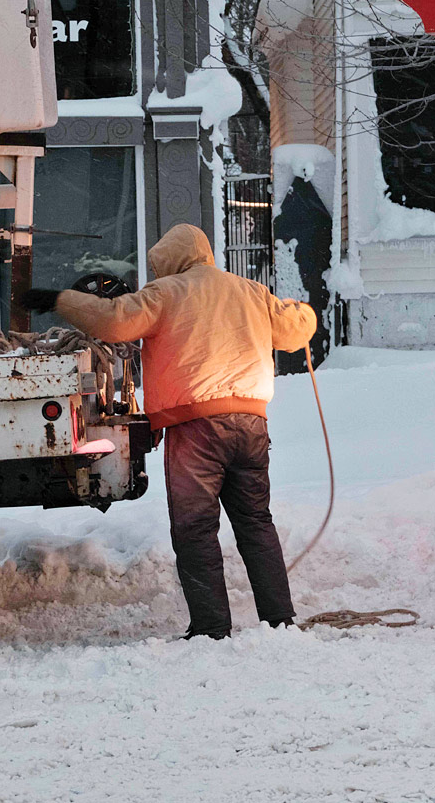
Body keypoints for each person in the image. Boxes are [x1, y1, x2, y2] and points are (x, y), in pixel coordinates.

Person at [21, 223, 316, 640]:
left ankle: (212, 629)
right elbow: (295, 330)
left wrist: (60, 299)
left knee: (195, 528)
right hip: (252, 425)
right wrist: (303, 312)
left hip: (195, 430)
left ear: (169, 263)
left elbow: (114, 321)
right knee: (256, 522)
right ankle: (280, 621)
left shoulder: (167, 293)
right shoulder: (250, 291)